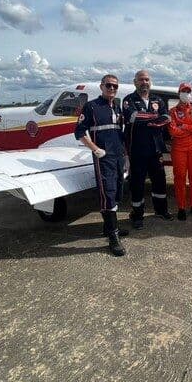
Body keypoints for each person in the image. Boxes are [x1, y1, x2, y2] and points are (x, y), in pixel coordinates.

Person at [74, 74, 128, 256]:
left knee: (118, 190)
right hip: (104, 157)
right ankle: (113, 236)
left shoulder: (117, 107)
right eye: (108, 85)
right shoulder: (91, 106)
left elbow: (120, 133)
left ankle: (109, 227)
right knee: (108, 193)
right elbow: (79, 131)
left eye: (115, 86)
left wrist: (125, 154)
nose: (112, 88)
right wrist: (95, 149)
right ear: (101, 86)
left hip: (118, 156)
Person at [122, 69, 174, 228]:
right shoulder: (129, 99)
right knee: (137, 183)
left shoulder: (157, 99)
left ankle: (161, 210)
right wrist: (155, 118)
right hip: (137, 150)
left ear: (150, 82)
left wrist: (148, 119)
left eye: (146, 80)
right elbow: (132, 117)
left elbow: (167, 118)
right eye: (141, 79)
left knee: (160, 181)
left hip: (156, 150)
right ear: (135, 82)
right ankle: (137, 215)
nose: (144, 82)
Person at [168, 82, 192, 220]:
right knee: (179, 178)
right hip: (179, 149)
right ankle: (181, 207)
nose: (186, 94)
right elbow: (173, 131)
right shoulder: (172, 111)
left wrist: (184, 126)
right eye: (183, 91)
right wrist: (191, 128)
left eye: (188, 91)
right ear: (179, 94)